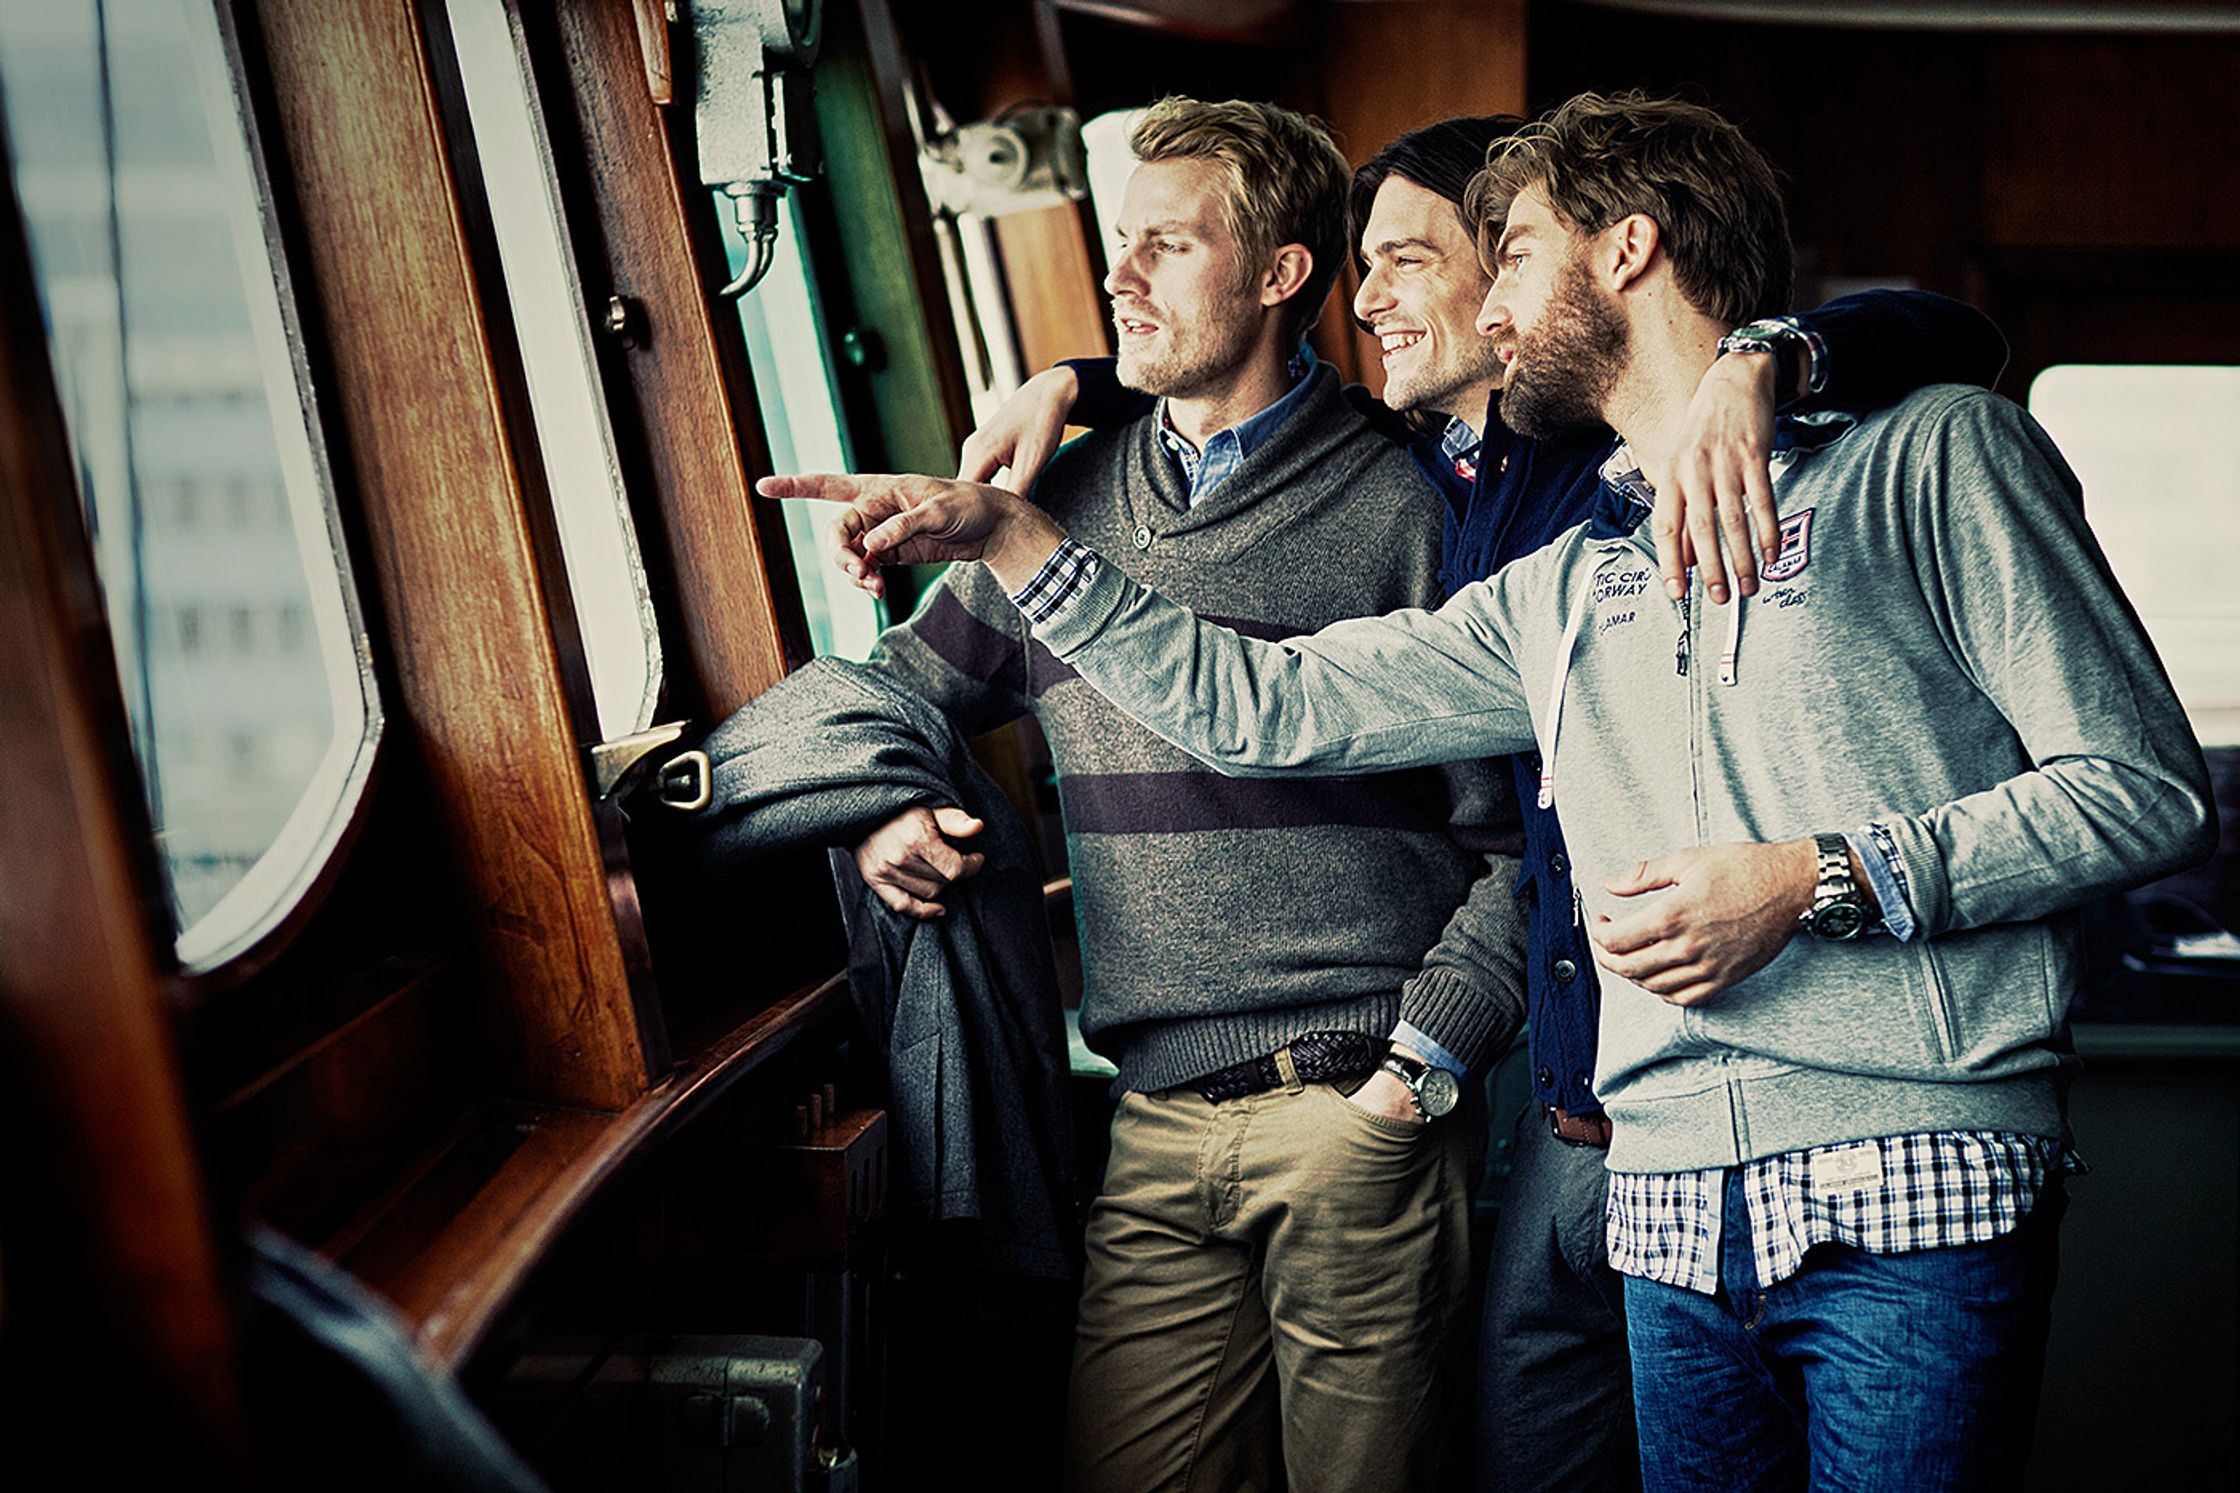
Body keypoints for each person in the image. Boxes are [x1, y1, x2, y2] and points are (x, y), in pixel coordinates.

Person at [770, 91, 2218, 1492]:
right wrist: (1028, 539)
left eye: (1509, 255)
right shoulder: (1563, 579)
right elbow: (1263, 708)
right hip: (1668, 1203)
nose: (1492, 310)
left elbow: (2142, 792)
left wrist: (1813, 878)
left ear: (1628, 247)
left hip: (1914, 1176)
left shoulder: (1935, 454)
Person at [840, 96, 1528, 1492]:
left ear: (1281, 274)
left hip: (1362, 1116)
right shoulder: (1058, 507)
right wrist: (875, 801)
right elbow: (886, 694)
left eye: (1166, 245)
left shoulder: (1416, 510)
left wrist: (1418, 1070)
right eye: (1116, 246)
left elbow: (1526, 847)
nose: (1119, 277)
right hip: (1150, 1127)